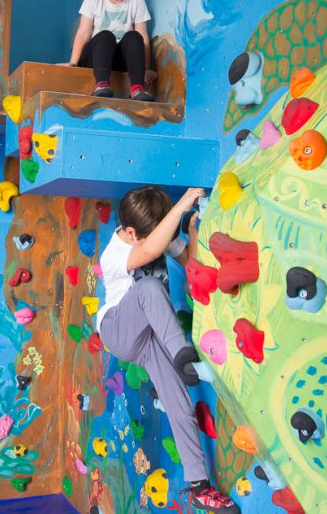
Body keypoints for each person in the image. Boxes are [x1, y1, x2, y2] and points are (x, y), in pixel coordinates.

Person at [97, 185, 241, 514]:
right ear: (132, 232)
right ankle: (182, 355)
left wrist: (189, 231)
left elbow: (188, 261)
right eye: (153, 236)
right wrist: (180, 207)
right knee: (148, 286)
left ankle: (199, 486)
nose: (161, 240)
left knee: (179, 402)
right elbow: (148, 254)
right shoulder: (114, 254)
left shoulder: (160, 232)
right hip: (118, 330)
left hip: (150, 338)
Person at [69, 0, 155, 102]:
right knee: (105, 36)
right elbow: (84, 32)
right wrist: (73, 63)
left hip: (121, 60)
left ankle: (137, 87)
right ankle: (101, 84)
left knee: (134, 36)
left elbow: (143, 38)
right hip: (97, 57)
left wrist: (147, 68)